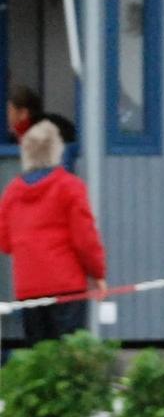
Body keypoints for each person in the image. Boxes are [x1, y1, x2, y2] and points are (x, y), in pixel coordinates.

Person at [0, 118, 107, 342]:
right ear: (57, 150)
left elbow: (5, 242)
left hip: (28, 288)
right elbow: (85, 239)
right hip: (67, 286)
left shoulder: (12, 192)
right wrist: (97, 274)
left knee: (39, 356)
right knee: (68, 354)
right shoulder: (70, 187)